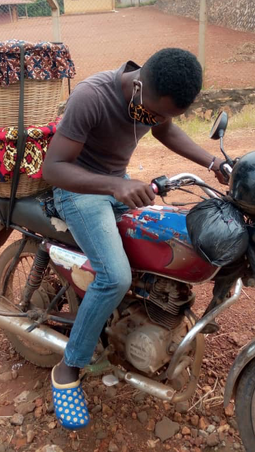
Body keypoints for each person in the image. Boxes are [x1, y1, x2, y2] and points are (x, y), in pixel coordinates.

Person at [42, 47, 225, 430]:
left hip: (116, 186)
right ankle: (69, 367)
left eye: (167, 115)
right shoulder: (91, 97)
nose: (157, 120)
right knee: (116, 276)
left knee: (171, 242)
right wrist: (115, 184)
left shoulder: (150, 101)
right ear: (139, 84)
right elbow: (54, 169)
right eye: (157, 112)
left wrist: (214, 162)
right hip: (78, 192)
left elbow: (165, 129)